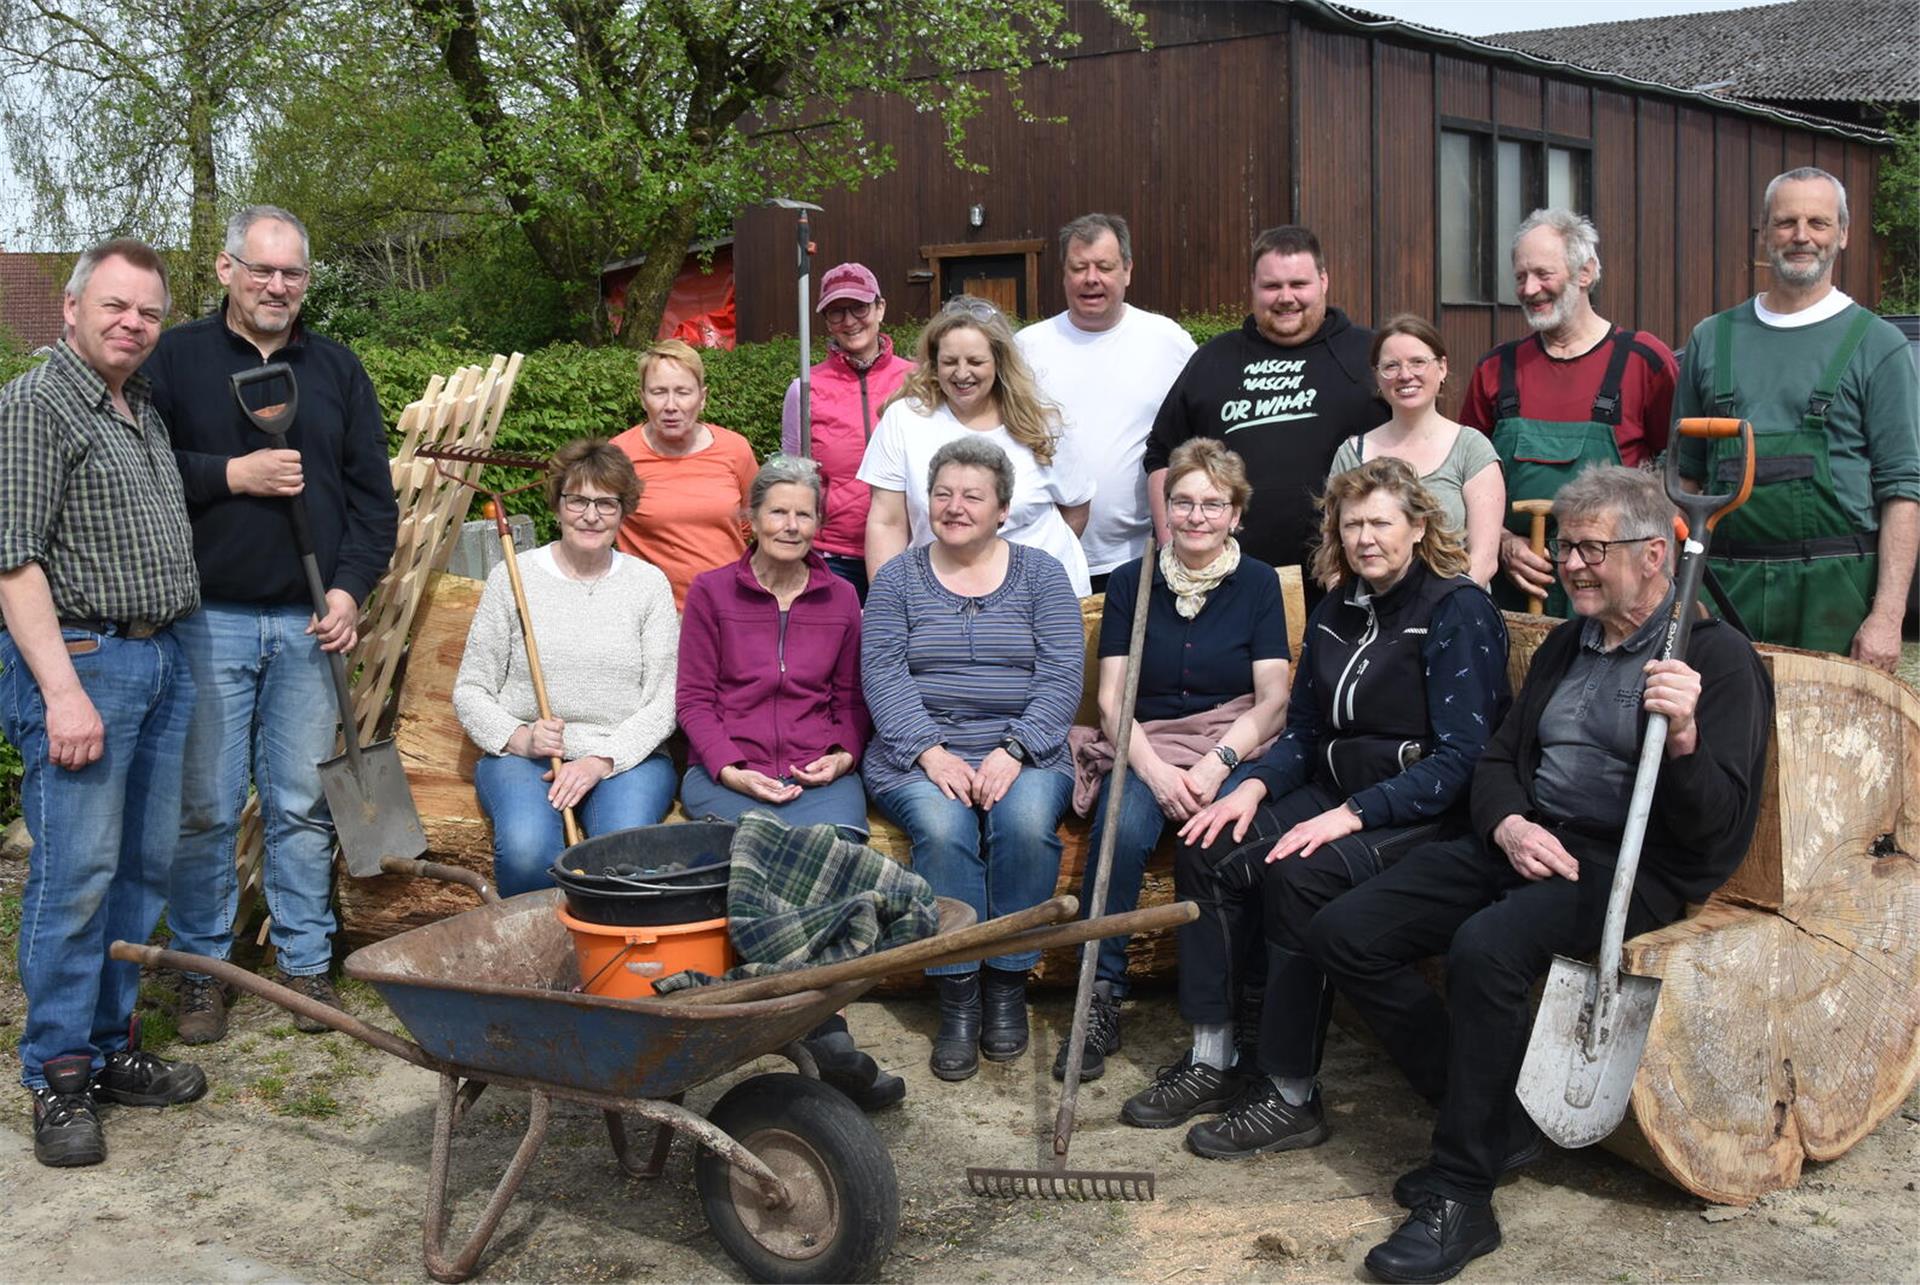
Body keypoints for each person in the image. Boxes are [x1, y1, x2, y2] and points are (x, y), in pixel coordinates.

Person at [1308, 466, 1772, 1283]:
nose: (1571, 564)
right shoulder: (1568, 640)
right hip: (1525, 839)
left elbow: (1717, 826)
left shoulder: (1715, 659)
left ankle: (1463, 1192)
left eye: (1592, 548)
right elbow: (1496, 756)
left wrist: (1689, 738)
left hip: (1634, 864)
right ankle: (1495, 1119)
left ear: (1656, 554)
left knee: (1485, 950)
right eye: (1565, 547)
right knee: (1345, 932)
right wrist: (1511, 823)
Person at [1121, 459, 1509, 1151]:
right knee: (1207, 844)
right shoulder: (1338, 607)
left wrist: (1352, 815)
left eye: (1381, 521)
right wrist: (1253, 786)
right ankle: (1215, 1055)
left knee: (1300, 875)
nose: (1365, 537)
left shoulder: (1455, 610)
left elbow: (1463, 758)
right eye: (1351, 522)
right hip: (1331, 787)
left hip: (1420, 812)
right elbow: (1302, 730)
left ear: (1418, 527)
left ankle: (1290, 1090)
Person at [145, 205, 399, 1045]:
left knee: (297, 802)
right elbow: (139, 469)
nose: (277, 286)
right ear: (226, 269)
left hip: (306, 624)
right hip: (206, 620)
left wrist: (351, 591)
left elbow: (373, 500)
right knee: (207, 807)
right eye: (262, 269)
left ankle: (303, 961)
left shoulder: (337, 369)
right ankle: (201, 971)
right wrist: (232, 472)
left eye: (292, 273)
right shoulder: (175, 358)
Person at [0, 238, 207, 1167]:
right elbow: (12, 558)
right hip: (83, 663)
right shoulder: (38, 403)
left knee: (138, 872)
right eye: (116, 305)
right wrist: (61, 691)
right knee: (75, 877)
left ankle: (111, 1043)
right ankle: (55, 1068)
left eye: (149, 312)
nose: (133, 323)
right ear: (72, 308)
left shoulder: (139, 406)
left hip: (158, 659)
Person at [1056, 439, 1291, 1083]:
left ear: (1236, 513)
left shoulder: (1258, 582)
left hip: (1231, 741)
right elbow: (1111, 698)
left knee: (1223, 837)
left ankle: (1244, 1002)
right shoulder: (1136, 580)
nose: (1196, 517)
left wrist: (1216, 766)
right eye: (1183, 502)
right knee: (1121, 828)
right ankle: (1100, 995)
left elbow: (1272, 698)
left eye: (1212, 505)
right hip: (1146, 740)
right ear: (1165, 511)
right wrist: (1155, 773)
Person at [861, 437, 1084, 1081]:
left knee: (1022, 822)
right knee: (944, 826)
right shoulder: (900, 577)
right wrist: (931, 752)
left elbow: (1062, 673)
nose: (954, 507)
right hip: (917, 751)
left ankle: (1007, 982)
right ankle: (957, 993)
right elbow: (883, 672)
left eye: (972, 496)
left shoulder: (1041, 574)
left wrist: (1015, 748)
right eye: (942, 494)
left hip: (1027, 748)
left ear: (1003, 510)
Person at [1674, 167, 1919, 667]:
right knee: (1718, 736)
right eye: (1786, 222)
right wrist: (1681, 591)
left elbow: (1903, 490)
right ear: (1764, 233)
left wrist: (1887, 617)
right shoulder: (1710, 339)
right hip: (1724, 586)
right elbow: (1684, 479)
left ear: (1843, 234)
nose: (1801, 236)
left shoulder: (1879, 346)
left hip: (1837, 593)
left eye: (1818, 222)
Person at [453, 439, 679, 897]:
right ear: (557, 504)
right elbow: (472, 688)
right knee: (526, 850)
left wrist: (601, 760)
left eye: (605, 503)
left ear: (623, 510)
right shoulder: (514, 577)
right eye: (577, 500)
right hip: (528, 756)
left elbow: (665, 699)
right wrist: (521, 737)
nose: (590, 515)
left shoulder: (647, 584)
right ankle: (541, 959)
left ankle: (614, 963)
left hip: (623, 757)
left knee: (624, 853)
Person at [1460, 209, 1678, 616]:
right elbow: (1465, 478)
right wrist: (1503, 541)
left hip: (1618, 603)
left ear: (1585, 272)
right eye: (1521, 276)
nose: (1530, 288)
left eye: (1544, 274)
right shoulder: (1496, 369)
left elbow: (1683, 475)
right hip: (1518, 597)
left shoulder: (1642, 361)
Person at [1143, 224, 1385, 581]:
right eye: (1272, 286)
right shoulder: (1214, 360)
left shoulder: (1370, 356)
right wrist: (1172, 549)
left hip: (1348, 578)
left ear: (1324, 281)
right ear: (1253, 287)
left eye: (1298, 284)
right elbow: (1161, 455)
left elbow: (1420, 442)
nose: (1285, 297)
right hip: (1228, 582)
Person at [678, 454, 870, 833]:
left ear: (819, 523)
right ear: (752, 519)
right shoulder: (711, 592)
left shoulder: (842, 596)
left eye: (804, 515)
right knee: (749, 845)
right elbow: (694, 700)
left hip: (816, 776)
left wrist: (842, 758)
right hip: (729, 773)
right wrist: (730, 769)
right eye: (778, 512)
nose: (792, 527)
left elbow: (852, 700)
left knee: (835, 850)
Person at [859, 295, 1095, 597]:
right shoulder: (905, 419)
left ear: (999, 361)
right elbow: (887, 522)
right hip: (937, 600)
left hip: (1038, 600)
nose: (961, 373)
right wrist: (888, 602)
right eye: (949, 361)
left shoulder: (1040, 421)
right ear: (933, 362)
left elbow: (1076, 508)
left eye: (975, 361)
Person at [1016, 213, 1197, 591]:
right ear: (1064, 274)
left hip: (1143, 557)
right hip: (1048, 558)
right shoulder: (1027, 348)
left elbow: (1202, 434)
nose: (1091, 278)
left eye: (1104, 266)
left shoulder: (1168, 342)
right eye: (1078, 267)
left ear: (1128, 270)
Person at [1332, 315, 1504, 586]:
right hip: (1372, 616)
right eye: (1391, 366)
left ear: (1442, 367)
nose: (1405, 375)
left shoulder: (1472, 449)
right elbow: (1334, 557)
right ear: (1377, 375)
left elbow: (1484, 560)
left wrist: (1440, 615)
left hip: (1453, 615)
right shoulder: (1351, 454)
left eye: (1418, 362)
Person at [779, 263, 913, 602]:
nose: (850, 321)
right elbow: (791, 474)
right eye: (837, 312)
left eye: (859, 307)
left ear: (880, 308)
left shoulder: (916, 381)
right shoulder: (805, 389)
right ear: (826, 322)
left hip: (909, 547)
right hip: (835, 555)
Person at [611, 339, 758, 609]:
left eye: (682, 392)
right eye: (658, 392)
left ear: (702, 398)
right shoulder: (620, 455)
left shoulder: (735, 449)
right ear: (642, 398)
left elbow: (751, 523)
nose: (670, 405)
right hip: (656, 614)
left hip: (731, 607)